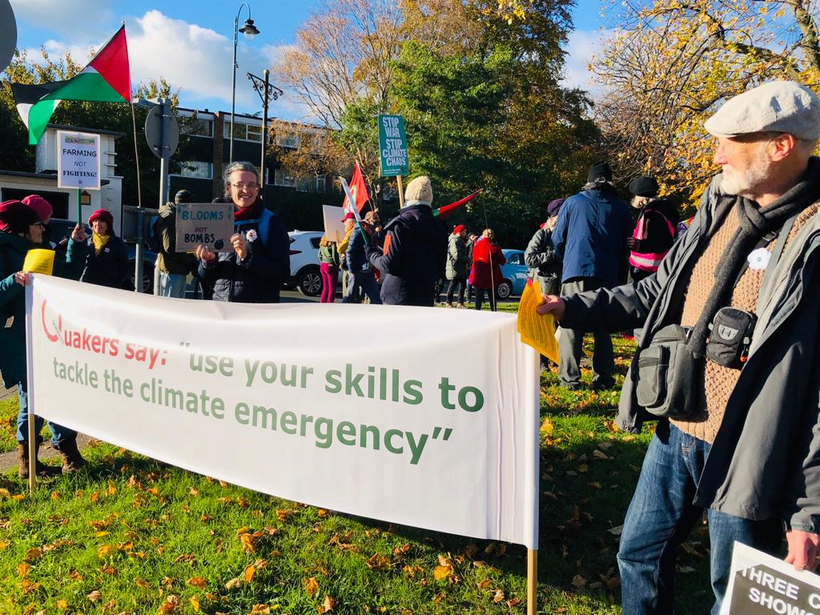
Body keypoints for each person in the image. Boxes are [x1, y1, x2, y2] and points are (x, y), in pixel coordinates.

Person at [536, 80, 820, 614]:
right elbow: (654, 292)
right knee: (637, 555)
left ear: (780, 145)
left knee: (734, 595)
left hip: (751, 451)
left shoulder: (814, 236)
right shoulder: (716, 206)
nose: (715, 156)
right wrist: (571, 308)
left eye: (729, 141)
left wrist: (810, 513)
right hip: (676, 428)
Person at [0, 200, 89, 477]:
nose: (43, 228)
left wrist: (77, 245)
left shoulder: (38, 251)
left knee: (48, 393)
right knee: (35, 396)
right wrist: (14, 280)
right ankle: (44, 459)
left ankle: (55, 457)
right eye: (38, 224)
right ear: (23, 228)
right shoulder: (3, 251)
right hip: (18, 338)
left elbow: (68, 274)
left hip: (46, 335)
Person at [551, 161, 632, 390]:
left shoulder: (573, 202)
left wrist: (565, 260)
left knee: (570, 324)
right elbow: (627, 245)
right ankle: (603, 378)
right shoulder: (621, 207)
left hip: (575, 269)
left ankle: (569, 379)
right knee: (603, 327)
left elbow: (557, 238)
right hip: (607, 272)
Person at [196, 161, 290, 303]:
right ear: (228, 188)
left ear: (257, 189)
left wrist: (248, 258)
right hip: (221, 311)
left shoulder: (271, 221)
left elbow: (282, 275)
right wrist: (208, 262)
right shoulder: (214, 220)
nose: (246, 190)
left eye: (251, 185)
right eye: (239, 185)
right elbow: (203, 278)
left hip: (257, 314)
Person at [367, 176, 447, 306]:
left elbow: (388, 264)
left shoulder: (400, 224)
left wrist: (371, 254)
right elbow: (440, 268)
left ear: (408, 195)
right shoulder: (440, 226)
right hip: (425, 296)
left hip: (398, 296)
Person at [627, 176, 678, 283]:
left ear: (640, 197)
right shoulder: (666, 209)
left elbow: (661, 242)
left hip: (644, 269)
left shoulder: (652, 213)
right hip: (660, 267)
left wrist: (638, 245)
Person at [154, 189, 197, 298]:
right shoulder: (171, 217)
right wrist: (190, 261)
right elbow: (170, 247)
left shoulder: (172, 215)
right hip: (172, 270)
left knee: (175, 306)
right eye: (190, 205)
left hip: (174, 269)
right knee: (171, 307)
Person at [80, 208, 134, 291]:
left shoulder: (117, 243)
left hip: (108, 290)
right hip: (87, 288)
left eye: (101, 221)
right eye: (95, 221)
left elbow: (124, 267)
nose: (98, 224)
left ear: (108, 225)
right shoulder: (85, 242)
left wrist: (125, 282)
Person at [525, 198, 564, 296]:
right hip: (544, 290)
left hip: (562, 290)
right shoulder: (541, 234)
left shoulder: (567, 235)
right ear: (555, 216)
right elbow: (529, 259)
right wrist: (553, 254)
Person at [343, 212, 382, 304]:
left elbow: (377, 245)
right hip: (358, 270)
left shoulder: (373, 232)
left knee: (376, 300)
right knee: (349, 298)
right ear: (368, 220)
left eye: (378, 218)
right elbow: (350, 251)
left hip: (368, 271)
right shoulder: (359, 231)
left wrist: (379, 233)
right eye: (375, 219)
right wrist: (352, 269)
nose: (377, 221)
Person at [470, 228, 506, 312]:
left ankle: (477, 311)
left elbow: (474, 257)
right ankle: (493, 311)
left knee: (478, 296)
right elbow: (503, 261)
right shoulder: (495, 247)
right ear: (492, 236)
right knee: (492, 296)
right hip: (491, 275)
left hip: (478, 274)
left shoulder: (477, 244)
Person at [445, 224, 469, 307]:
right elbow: (456, 255)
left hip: (460, 267)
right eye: (464, 231)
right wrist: (467, 259)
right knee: (453, 285)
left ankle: (460, 302)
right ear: (460, 232)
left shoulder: (459, 240)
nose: (466, 233)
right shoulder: (454, 241)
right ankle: (448, 302)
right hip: (454, 267)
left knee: (463, 285)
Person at [318, 234, 340, 303]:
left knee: (325, 287)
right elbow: (334, 255)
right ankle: (329, 304)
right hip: (330, 265)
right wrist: (337, 264)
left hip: (323, 265)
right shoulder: (332, 243)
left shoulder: (322, 243)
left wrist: (323, 261)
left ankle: (322, 303)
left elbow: (319, 255)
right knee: (332, 289)